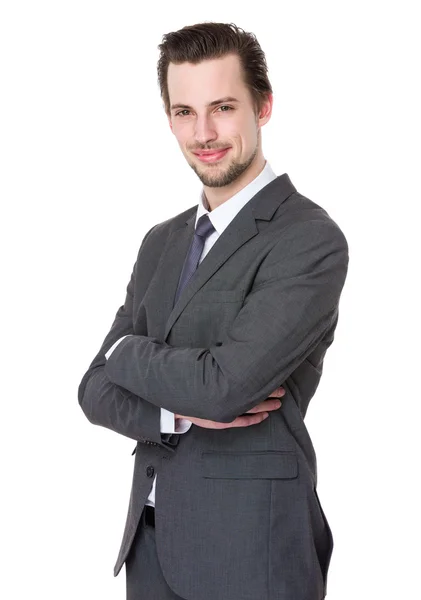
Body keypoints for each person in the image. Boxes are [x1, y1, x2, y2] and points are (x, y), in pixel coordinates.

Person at [78, 21, 349, 600]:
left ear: (264, 105)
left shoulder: (308, 239)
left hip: (251, 549)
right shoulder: (162, 241)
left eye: (223, 107)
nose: (203, 133)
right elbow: (93, 388)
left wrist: (129, 352)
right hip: (149, 544)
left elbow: (223, 388)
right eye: (184, 112)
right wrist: (174, 413)